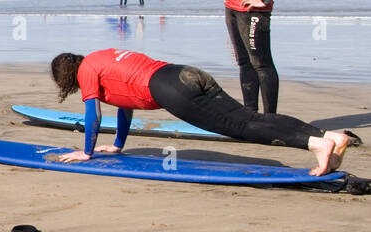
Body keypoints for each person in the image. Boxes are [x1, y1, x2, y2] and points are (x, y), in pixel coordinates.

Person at [49, 49, 350, 175]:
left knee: (242, 127)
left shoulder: (87, 71)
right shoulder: (101, 57)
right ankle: (329, 137)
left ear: (66, 75)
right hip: (185, 73)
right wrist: (116, 146)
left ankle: (316, 145)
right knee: (251, 118)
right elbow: (126, 107)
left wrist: (86, 152)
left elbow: (94, 115)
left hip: (172, 90)